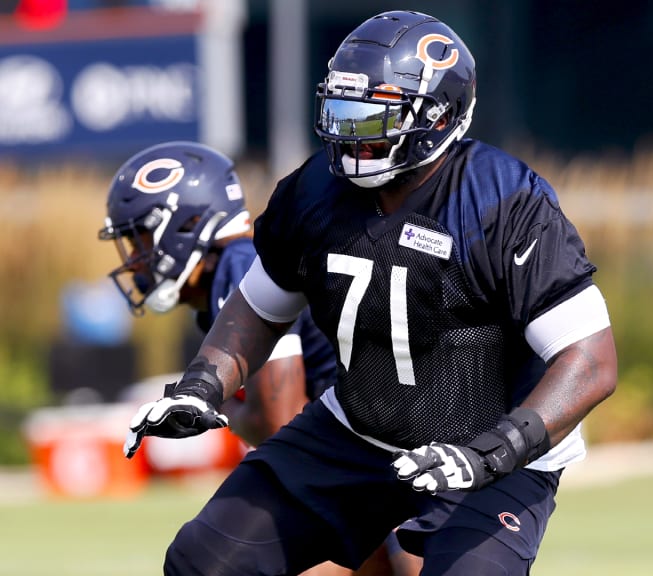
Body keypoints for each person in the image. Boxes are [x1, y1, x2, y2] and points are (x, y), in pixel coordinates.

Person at [120, 10, 618, 576]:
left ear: (435, 115)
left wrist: (495, 450)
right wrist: (203, 384)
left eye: (369, 115)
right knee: (204, 561)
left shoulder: (504, 201)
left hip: (490, 455)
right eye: (341, 110)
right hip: (357, 432)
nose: (348, 132)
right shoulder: (314, 192)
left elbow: (590, 360)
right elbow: (259, 306)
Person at [99, 141, 418, 576]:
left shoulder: (239, 265)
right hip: (374, 437)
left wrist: (208, 403)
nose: (135, 262)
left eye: (140, 240)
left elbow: (278, 422)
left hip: (385, 435)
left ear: (187, 224)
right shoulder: (231, 274)